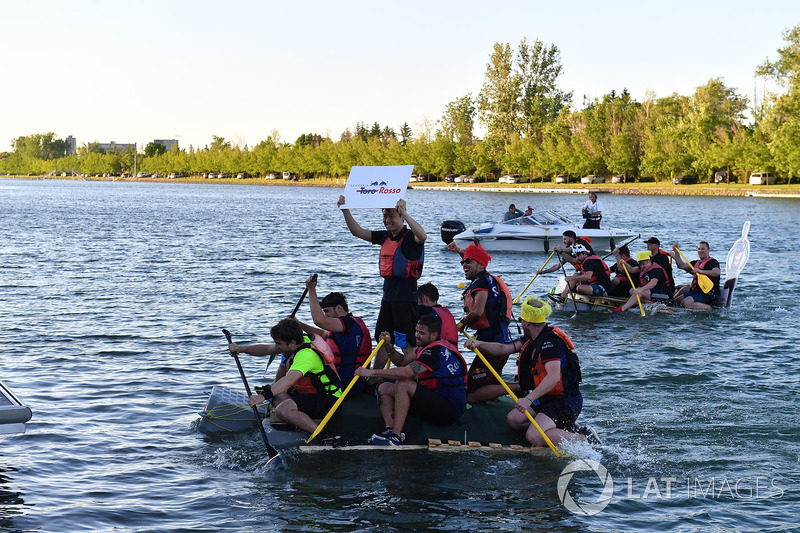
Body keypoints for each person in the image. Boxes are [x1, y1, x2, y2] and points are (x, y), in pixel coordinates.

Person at [464, 297, 597, 447]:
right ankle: (559, 428)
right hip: (546, 397)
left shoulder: (549, 343)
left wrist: (528, 399)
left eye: (521, 319)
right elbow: (503, 349)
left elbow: (553, 378)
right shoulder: (530, 338)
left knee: (533, 436)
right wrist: (479, 344)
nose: (520, 322)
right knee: (514, 420)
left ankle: (585, 438)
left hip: (565, 401)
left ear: (526, 322)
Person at [355, 314, 468, 446]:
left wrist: (372, 372)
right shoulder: (425, 347)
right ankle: (389, 429)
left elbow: (406, 372)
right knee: (384, 387)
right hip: (434, 401)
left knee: (403, 383)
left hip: (449, 410)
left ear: (433, 335)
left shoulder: (435, 352)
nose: (416, 335)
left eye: (421, 333)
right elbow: (402, 362)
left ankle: (396, 437)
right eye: (416, 331)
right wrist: (388, 347)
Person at [338, 195, 426, 360]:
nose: (387, 220)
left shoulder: (409, 238)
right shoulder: (385, 236)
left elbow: (422, 236)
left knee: (407, 344)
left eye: (391, 216)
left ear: (401, 217)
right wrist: (345, 209)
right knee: (383, 340)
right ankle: (376, 378)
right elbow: (357, 232)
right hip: (388, 299)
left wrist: (405, 212)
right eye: (384, 216)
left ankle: (408, 377)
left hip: (405, 300)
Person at [234, 319, 342, 435]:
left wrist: (262, 397)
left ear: (292, 343)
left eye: (279, 344)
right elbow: (266, 349)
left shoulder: (306, 356)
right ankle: (297, 419)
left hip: (329, 400)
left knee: (282, 409)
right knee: (276, 392)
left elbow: (288, 380)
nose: (276, 347)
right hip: (309, 395)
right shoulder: (298, 342)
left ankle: (323, 435)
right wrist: (241, 349)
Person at [447, 242, 515, 403]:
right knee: (488, 380)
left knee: (471, 389)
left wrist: (461, 323)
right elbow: (474, 260)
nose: (464, 265)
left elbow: (477, 311)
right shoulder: (486, 278)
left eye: (467, 262)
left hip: (491, 343)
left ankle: (521, 387)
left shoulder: (480, 282)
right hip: (499, 340)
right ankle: (499, 395)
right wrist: (459, 251)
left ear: (479, 264)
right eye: (462, 262)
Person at [292, 275, 373, 396]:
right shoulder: (349, 325)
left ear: (339, 308)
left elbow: (319, 320)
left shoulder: (347, 322)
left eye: (327, 311)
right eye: (324, 311)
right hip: (351, 383)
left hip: (346, 385)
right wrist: (299, 324)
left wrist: (311, 289)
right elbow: (325, 334)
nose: (325, 315)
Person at [672, 241, 721, 309]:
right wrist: (676, 252)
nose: (700, 251)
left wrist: (701, 271)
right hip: (697, 292)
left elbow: (717, 272)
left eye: (703, 249)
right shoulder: (696, 263)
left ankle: (710, 308)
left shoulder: (713, 262)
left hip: (709, 294)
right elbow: (681, 265)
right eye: (699, 249)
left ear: (708, 250)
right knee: (676, 301)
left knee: (685, 302)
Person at [417, 282, 459, 351]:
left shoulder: (426, 312)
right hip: (452, 353)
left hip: (436, 353)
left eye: (417, 301)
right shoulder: (447, 313)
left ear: (424, 299)